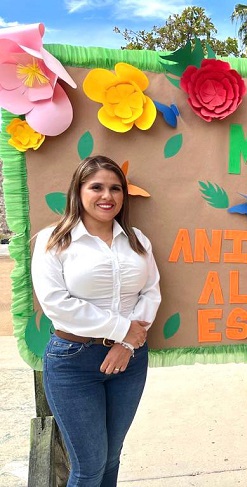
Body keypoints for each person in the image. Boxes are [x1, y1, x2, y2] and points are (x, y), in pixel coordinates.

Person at [31, 155, 161, 487]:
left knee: (111, 457)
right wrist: (123, 330)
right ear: (79, 191)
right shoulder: (54, 240)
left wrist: (127, 344)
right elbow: (57, 304)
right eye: (97, 187)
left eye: (116, 188)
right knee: (88, 467)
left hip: (129, 360)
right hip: (73, 362)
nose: (107, 196)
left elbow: (151, 292)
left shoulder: (137, 240)